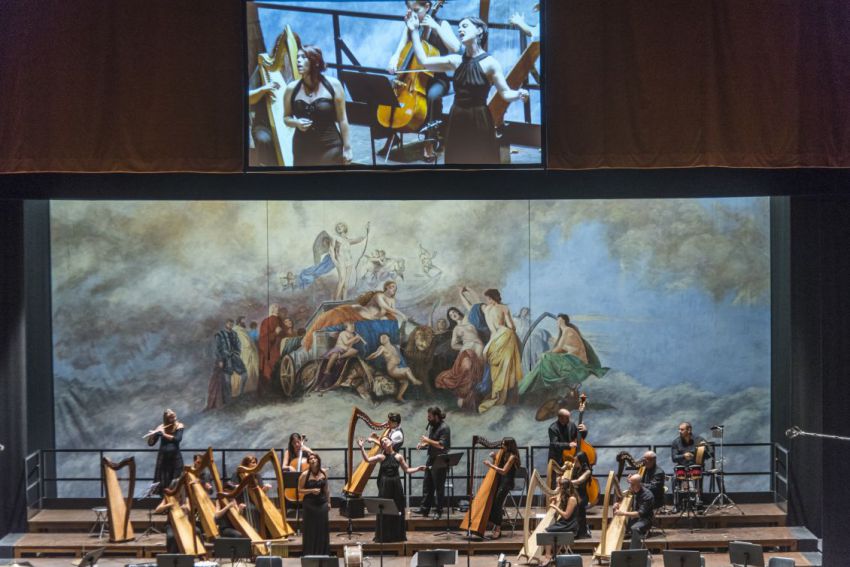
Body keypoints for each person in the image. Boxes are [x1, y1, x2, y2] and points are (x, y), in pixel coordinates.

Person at [408, 15, 529, 164]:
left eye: (465, 26)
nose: (460, 29)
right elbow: (424, 61)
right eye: (459, 27)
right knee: (457, 160)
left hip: (480, 119)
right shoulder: (455, 60)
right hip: (457, 116)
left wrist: (518, 94)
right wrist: (414, 31)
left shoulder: (491, 63)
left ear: (479, 30)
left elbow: (505, 92)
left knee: (481, 160)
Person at [387, 1, 460, 162]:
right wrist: (394, 58)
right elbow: (400, 47)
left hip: (437, 77)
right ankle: (392, 135)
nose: (411, 13)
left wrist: (436, 27)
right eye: (409, 9)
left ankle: (430, 141)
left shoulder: (442, 24)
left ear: (427, 7)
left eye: (415, 9)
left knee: (432, 96)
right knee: (391, 92)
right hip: (412, 77)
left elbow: (456, 48)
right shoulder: (411, 23)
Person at [283, 45, 352, 167]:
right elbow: (286, 118)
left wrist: (347, 148)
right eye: (297, 57)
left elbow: (342, 119)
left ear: (315, 62)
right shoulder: (291, 89)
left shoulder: (334, 85)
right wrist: (296, 123)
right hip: (302, 148)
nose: (298, 61)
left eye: (303, 57)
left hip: (330, 147)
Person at [459, 287, 522, 412]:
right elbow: (512, 326)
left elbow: (492, 331)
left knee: (496, 368)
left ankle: (498, 393)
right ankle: (509, 396)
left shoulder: (487, 310)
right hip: (507, 336)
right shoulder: (504, 308)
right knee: (507, 367)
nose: (487, 301)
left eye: (488, 298)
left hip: (495, 339)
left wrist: (487, 347)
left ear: (491, 298)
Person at [518, 314, 608, 395]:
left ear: (563, 321)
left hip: (575, 361)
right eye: (557, 320)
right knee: (546, 358)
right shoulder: (566, 331)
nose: (557, 322)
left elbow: (559, 348)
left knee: (546, 357)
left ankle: (539, 383)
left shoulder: (568, 331)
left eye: (559, 320)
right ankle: (531, 384)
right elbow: (561, 348)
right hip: (572, 358)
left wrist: (547, 353)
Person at [358, 436, 426, 542]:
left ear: (391, 442)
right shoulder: (381, 457)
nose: (384, 442)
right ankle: (384, 536)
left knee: (397, 508)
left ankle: (397, 536)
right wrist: (361, 447)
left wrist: (418, 468)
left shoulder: (399, 456)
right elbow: (367, 460)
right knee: (384, 509)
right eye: (382, 441)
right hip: (385, 485)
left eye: (386, 440)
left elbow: (407, 470)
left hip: (396, 485)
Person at [435, 306, 485, 410]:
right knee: (467, 370)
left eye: (454, 312)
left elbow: (471, 306)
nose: (453, 315)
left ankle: (471, 399)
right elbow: (453, 345)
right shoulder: (456, 329)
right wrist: (464, 347)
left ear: (458, 312)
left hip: (479, 347)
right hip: (468, 349)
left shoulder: (469, 319)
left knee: (478, 372)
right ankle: (463, 397)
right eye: (450, 315)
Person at [416, 406, 451, 519]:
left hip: (440, 460)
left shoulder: (444, 428)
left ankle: (438, 511)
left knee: (439, 488)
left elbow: (441, 445)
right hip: (431, 459)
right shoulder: (432, 426)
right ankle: (424, 509)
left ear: (436, 416)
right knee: (427, 485)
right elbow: (432, 442)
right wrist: (424, 444)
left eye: (429, 416)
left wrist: (427, 440)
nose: (428, 418)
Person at [366, 334, 423, 402]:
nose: (382, 338)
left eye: (384, 336)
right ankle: (414, 381)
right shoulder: (382, 347)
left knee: (405, 382)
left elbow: (404, 351)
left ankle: (399, 396)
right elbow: (375, 354)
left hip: (397, 368)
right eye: (381, 338)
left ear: (389, 337)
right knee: (407, 370)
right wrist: (367, 358)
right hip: (392, 370)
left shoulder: (395, 346)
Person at [484, 437, 519, 539]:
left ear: (509, 446)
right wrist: (494, 458)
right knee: (494, 502)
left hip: (507, 483)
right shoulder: (505, 454)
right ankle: (496, 521)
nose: (501, 446)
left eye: (503, 444)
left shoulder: (512, 457)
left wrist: (490, 465)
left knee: (497, 504)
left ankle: (498, 529)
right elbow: (499, 465)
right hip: (501, 482)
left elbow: (503, 471)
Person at [540, 480, 580, 564]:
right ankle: (550, 555)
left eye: (560, 487)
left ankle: (548, 556)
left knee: (546, 532)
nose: (558, 488)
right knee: (546, 532)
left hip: (570, 525)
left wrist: (555, 507)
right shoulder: (566, 497)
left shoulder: (572, 499)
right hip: (565, 523)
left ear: (564, 488)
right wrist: (554, 501)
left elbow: (566, 515)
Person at [147, 409, 184, 496]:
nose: (173, 419)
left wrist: (163, 434)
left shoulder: (179, 426)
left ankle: (176, 500)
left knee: (176, 480)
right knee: (164, 481)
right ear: (166, 419)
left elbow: (177, 439)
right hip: (164, 459)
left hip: (175, 458)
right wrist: (153, 435)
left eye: (174, 416)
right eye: (171, 417)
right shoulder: (161, 427)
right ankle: (165, 500)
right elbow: (151, 443)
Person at [299, 453, 330, 555]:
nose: (312, 460)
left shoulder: (324, 473)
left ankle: (323, 552)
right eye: (310, 459)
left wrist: (329, 502)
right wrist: (311, 490)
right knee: (311, 528)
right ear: (308, 462)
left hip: (322, 503)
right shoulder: (304, 475)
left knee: (322, 528)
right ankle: (310, 552)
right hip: (309, 504)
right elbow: (300, 490)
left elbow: (326, 489)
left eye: (314, 458)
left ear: (318, 460)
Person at [614, 474, 655, 543]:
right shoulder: (634, 491)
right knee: (618, 527)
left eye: (632, 484)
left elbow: (639, 514)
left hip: (645, 519)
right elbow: (630, 503)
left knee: (634, 528)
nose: (630, 486)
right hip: (635, 517)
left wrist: (622, 513)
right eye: (630, 483)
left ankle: (639, 539)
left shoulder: (647, 496)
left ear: (639, 484)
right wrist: (619, 505)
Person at [258, 304, 285, 393]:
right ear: (272, 309)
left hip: (281, 348)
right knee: (271, 370)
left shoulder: (281, 321)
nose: (278, 309)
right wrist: (275, 333)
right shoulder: (266, 321)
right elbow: (263, 338)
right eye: (276, 307)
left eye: (279, 307)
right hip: (271, 350)